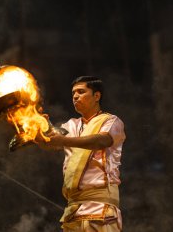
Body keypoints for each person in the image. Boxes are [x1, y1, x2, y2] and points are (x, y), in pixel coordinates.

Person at [38, 76, 126, 232]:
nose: (75, 96)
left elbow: (101, 141)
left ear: (96, 96)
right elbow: (50, 142)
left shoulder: (111, 121)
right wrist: (36, 126)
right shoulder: (70, 125)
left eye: (81, 92)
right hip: (73, 211)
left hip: (101, 207)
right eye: (73, 93)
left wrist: (63, 140)